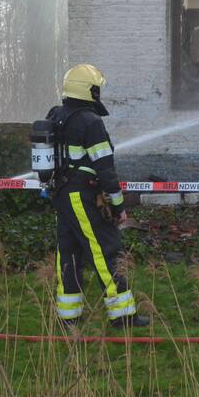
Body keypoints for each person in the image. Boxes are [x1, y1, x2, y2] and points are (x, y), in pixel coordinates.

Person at [44, 63, 149, 328]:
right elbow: (104, 167)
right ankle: (123, 314)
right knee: (106, 248)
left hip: (62, 194)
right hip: (82, 195)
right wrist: (118, 204)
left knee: (68, 251)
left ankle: (68, 316)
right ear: (89, 90)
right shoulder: (90, 122)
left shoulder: (56, 115)